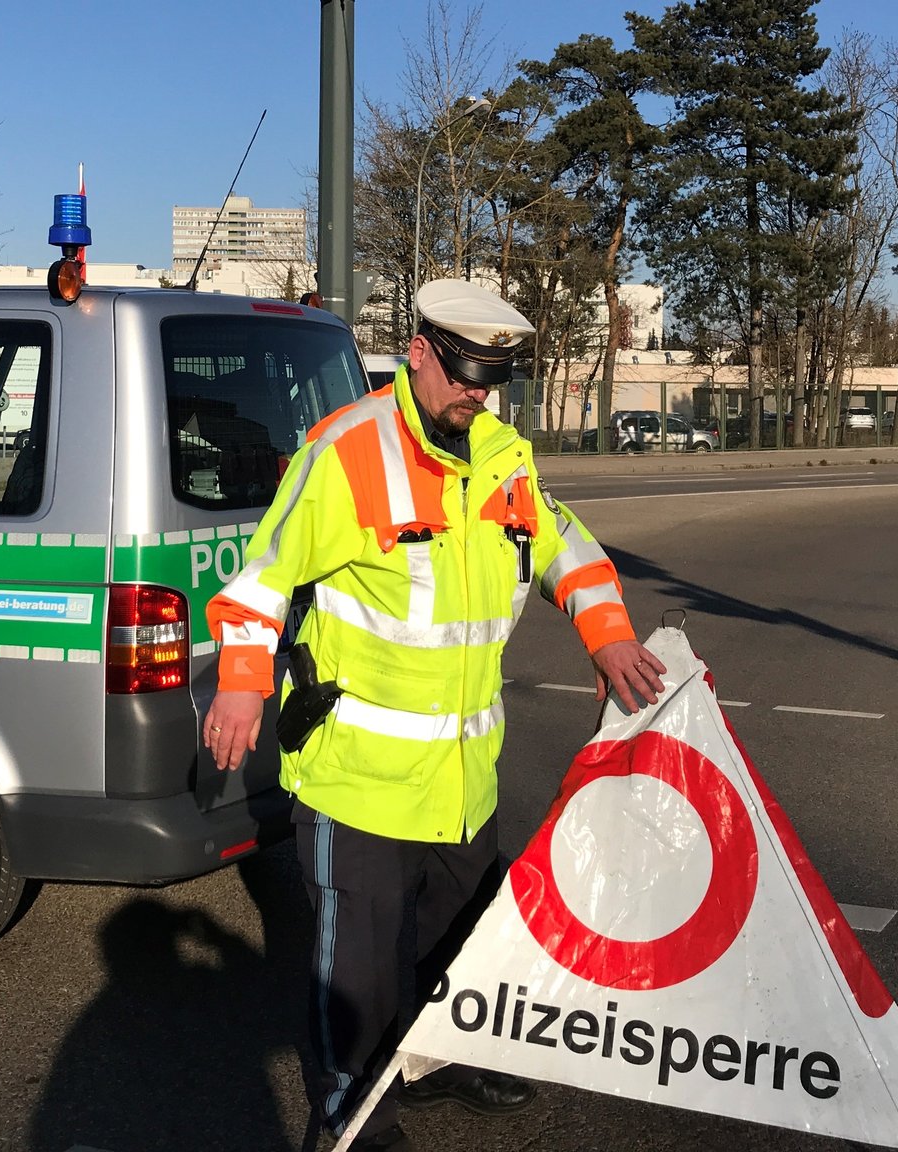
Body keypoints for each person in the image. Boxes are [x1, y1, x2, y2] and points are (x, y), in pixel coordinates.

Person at [202, 279, 667, 1152]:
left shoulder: (502, 456)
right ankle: (347, 1119)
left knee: (462, 947)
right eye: (463, 371)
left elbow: (564, 545)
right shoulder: (345, 453)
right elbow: (260, 577)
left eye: (492, 377)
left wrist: (607, 636)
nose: (476, 392)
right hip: (362, 783)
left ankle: (436, 1060)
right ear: (417, 350)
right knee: (360, 979)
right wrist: (240, 681)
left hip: (462, 785)